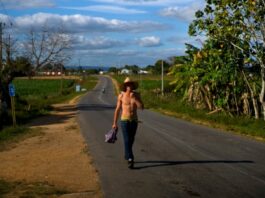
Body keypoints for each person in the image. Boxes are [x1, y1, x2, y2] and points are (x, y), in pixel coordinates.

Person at [112, 77, 144, 169]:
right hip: (124, 120)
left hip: (134, 120)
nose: (129, 86)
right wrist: (114, 123)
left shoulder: (137, 95)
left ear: (133, 86)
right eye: (127, 84)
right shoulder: (121, 96)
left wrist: (135, 99)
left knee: (131, 139)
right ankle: (130, 158)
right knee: (126, 139)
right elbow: (117, 110)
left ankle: (127, 154)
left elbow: (141, 107)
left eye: (130, 84)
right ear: (125, 86)